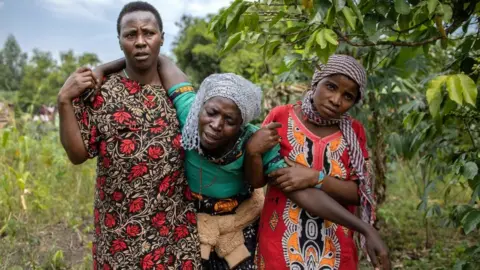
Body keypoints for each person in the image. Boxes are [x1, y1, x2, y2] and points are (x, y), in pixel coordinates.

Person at [95, 56, 390, 270]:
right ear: (201, 107)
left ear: (243, 125)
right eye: (211, 113)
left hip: (244, 229)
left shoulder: (256, 138)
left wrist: (364, 227)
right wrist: (101, 70)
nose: (215, 125)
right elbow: (158, 58)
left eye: (230, 120)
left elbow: (278, 183)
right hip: (189, 229)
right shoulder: (191, 115)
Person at [57, 2, 200, 269]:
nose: (141, 42)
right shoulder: (101, 93)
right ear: (120, 41)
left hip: (175, 232)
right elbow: (77, 155)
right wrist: (64, 101)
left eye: (149, 33)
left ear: (162, 38)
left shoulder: (179, 94)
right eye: (130, 35)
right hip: (119, 234)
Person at [251, 54, 385, 269]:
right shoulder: (281, 117)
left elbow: (361, 194)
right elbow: (259, 179)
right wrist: (252, 152)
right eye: (331, 87)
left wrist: (316, 178)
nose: (336, 100)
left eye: (348, 96)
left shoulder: (354, 132)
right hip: (280, 247)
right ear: (316, 82)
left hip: (335, 249)